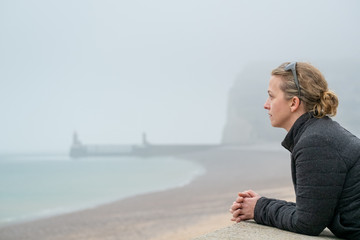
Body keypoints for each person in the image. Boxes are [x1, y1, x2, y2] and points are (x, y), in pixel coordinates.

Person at [229, 62, 360, 239]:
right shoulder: (320, 133)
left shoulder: (316, 142)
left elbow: (307, 223)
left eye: (271, 97)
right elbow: (312, 209)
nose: (266, 105)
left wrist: (259, 209)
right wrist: (260, 203)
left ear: (293, 103)